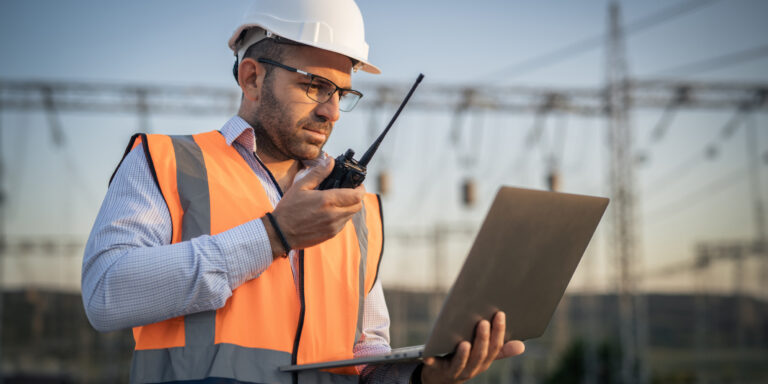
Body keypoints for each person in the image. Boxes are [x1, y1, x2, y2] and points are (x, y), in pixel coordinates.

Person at [81, 1, 524, 383]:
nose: (332, 111)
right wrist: (272, 235)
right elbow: (105, 294)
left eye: (343, 93)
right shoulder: (167, 163)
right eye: (315, 86)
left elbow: (365, 355)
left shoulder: (356, 208)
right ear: (252, 78)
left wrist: (424, 376)